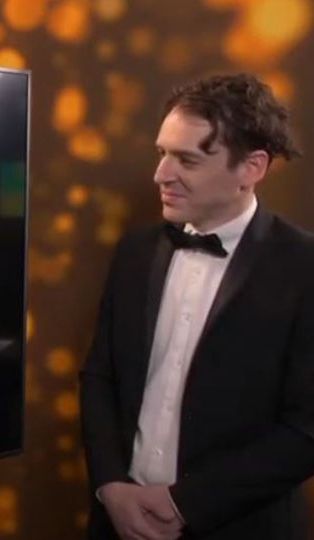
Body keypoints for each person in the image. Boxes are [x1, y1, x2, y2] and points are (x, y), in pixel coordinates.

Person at [80, 73, 314, 540]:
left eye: (186, 159)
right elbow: (100, 375)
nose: (161, 174)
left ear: (252, 167)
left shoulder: (304, 266)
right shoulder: (136, 250)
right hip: (118, 524)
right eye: (162, 153)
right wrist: (110, 487)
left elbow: (307, 430)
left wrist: (184, 504)